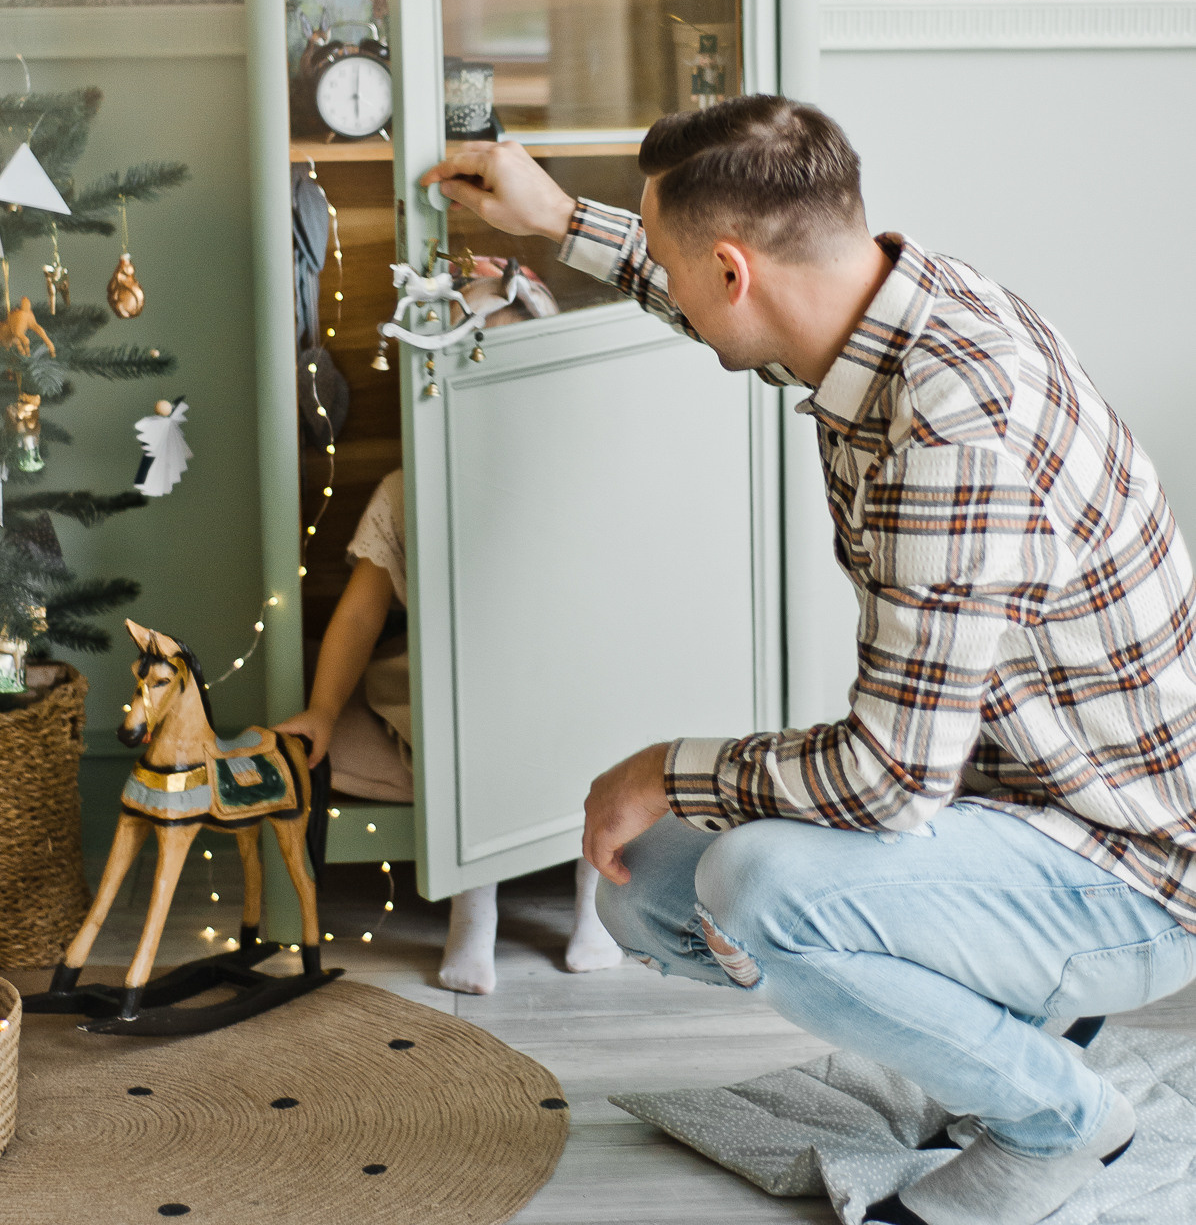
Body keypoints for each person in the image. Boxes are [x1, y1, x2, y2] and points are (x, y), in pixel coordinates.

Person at [424, 94, 1196, 1225]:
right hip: (1013, 807)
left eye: (690, 272)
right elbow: (710, 292)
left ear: (733, 270)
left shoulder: (950, 431)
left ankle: (1061, 1119)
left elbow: (886, 784)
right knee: (646, 888)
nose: (678, 293)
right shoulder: (885, 301)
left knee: (754, 894)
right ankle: (1017, 1029)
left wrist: (662, 766)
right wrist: (557, 221)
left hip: (1126, 875)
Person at [278, 467, 621, 995]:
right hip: (455, 680)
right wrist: (323, 709)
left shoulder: (590, 472)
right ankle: (473, 905)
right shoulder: (405, 487)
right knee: (464, 730)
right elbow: (360, 614)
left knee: (603, 724)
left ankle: (592, 903)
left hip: (571, 673)